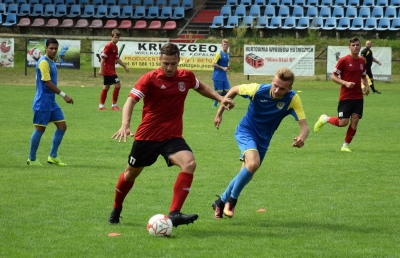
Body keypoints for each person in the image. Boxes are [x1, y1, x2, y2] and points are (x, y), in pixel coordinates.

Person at [108, 43, 235, 227]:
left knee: (189, 163)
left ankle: (174, 213)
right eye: (165, 63)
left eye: (173, 64)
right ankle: (116, 208)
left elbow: (201, 87)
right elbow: (130, 101)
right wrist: (125, 124)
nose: (169, 67)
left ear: (178, 62)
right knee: (129, 175)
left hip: (172, 137)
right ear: (160, 60)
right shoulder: (149, 78)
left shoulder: (186, 76)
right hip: (147, 137)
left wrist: (220, 98)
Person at [212, 67, 309, 219]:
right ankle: (232, 200)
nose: (277, 90)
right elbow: (234, 90)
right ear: (272, 81)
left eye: (282, 88)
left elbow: (305, 126)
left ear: (290, 88)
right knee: (253, 164)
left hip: (264, 139)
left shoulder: (292, 99)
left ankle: (220, 201)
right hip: (246, 131)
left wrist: (302, 137)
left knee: (247, 174)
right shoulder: (257, 90)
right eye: (275, 85)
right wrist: (219, 113)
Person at [314, 37, 370, 153]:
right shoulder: (344, 60)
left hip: (358, 97)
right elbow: (333, 76)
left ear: (360, 47)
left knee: (355, 120)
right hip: (346, 97)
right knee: (343, 122)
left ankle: (345, 145)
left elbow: (363, 76)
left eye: (357, 45)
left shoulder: (361, 61)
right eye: (353, 45)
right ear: (349, 47)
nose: (356, 47)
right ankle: (325, 118)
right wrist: (345, 83)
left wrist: (367, 86)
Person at [27, 38, 74, 166]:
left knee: (62, 126)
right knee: (40, 129)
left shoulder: (51, 62)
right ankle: (31, 159)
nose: (53, 51)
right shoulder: (43, 63)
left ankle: (52, 156)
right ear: (46, 48)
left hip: (51, 102)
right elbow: (47, 83)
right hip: (42, 102)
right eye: (51, 48)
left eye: (55, 48)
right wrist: (64, 95)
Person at [98, 29, 130, 111]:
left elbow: (117, 59)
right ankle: (114, 105)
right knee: (118, 85)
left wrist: (125, 66)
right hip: (108, 70)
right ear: (111, 37)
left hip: (110, 70)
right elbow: (103, 58)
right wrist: (101, 69)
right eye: (115, 37)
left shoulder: (115, 47)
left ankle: (101, 106)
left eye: (118, 37)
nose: (117, 39)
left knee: (106, 87)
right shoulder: (109, 46)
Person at [211, 39, 230, 108]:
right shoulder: (219, 53)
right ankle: (215, 104)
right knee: (220, 92)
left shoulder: (228, 54)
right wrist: (223, 68)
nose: (226, 45)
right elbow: (213, 64)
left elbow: (225, 64)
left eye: (227, 44)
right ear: (222, 45)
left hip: (224, 75)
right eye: (224, 44)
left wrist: (227, 67)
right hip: (217, 75)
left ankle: (220, 101)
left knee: (228, 91)